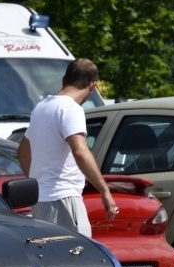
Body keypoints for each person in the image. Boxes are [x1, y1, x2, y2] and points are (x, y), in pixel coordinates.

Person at [16, 58, 117, 237]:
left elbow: (22, 151)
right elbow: (80, 151)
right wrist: (104, 190)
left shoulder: (41, 107)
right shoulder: (71, 109)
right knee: (80, 258)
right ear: (92, 85)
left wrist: (37, 179)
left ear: (64, 79)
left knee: (51, 259)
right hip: (63, 198)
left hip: (40, 200)